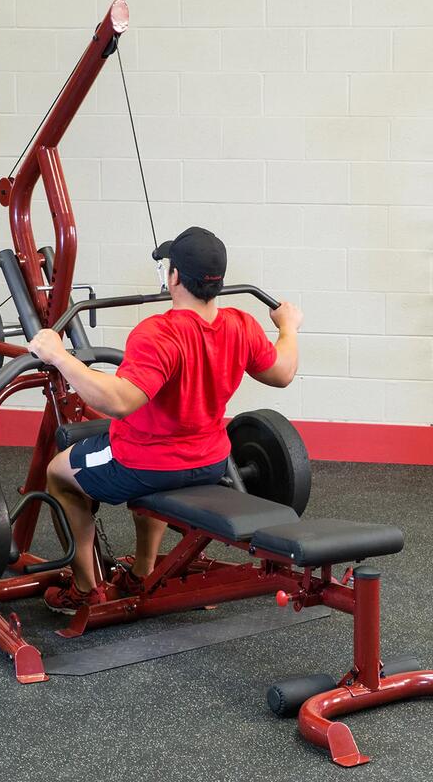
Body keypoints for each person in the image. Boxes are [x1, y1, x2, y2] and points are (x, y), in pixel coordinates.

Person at [29, 226, 303, 614]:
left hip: (142, 464)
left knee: (59, 472)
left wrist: (58, 355)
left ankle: (86, 590)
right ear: (219, 282)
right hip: (210, 463)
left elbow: (119, 402)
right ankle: (142, 572)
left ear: (173, 277)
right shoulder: (241, 325)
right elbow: (284, 371)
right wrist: (287, 327)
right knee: (152, 470)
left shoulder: (159, 334)